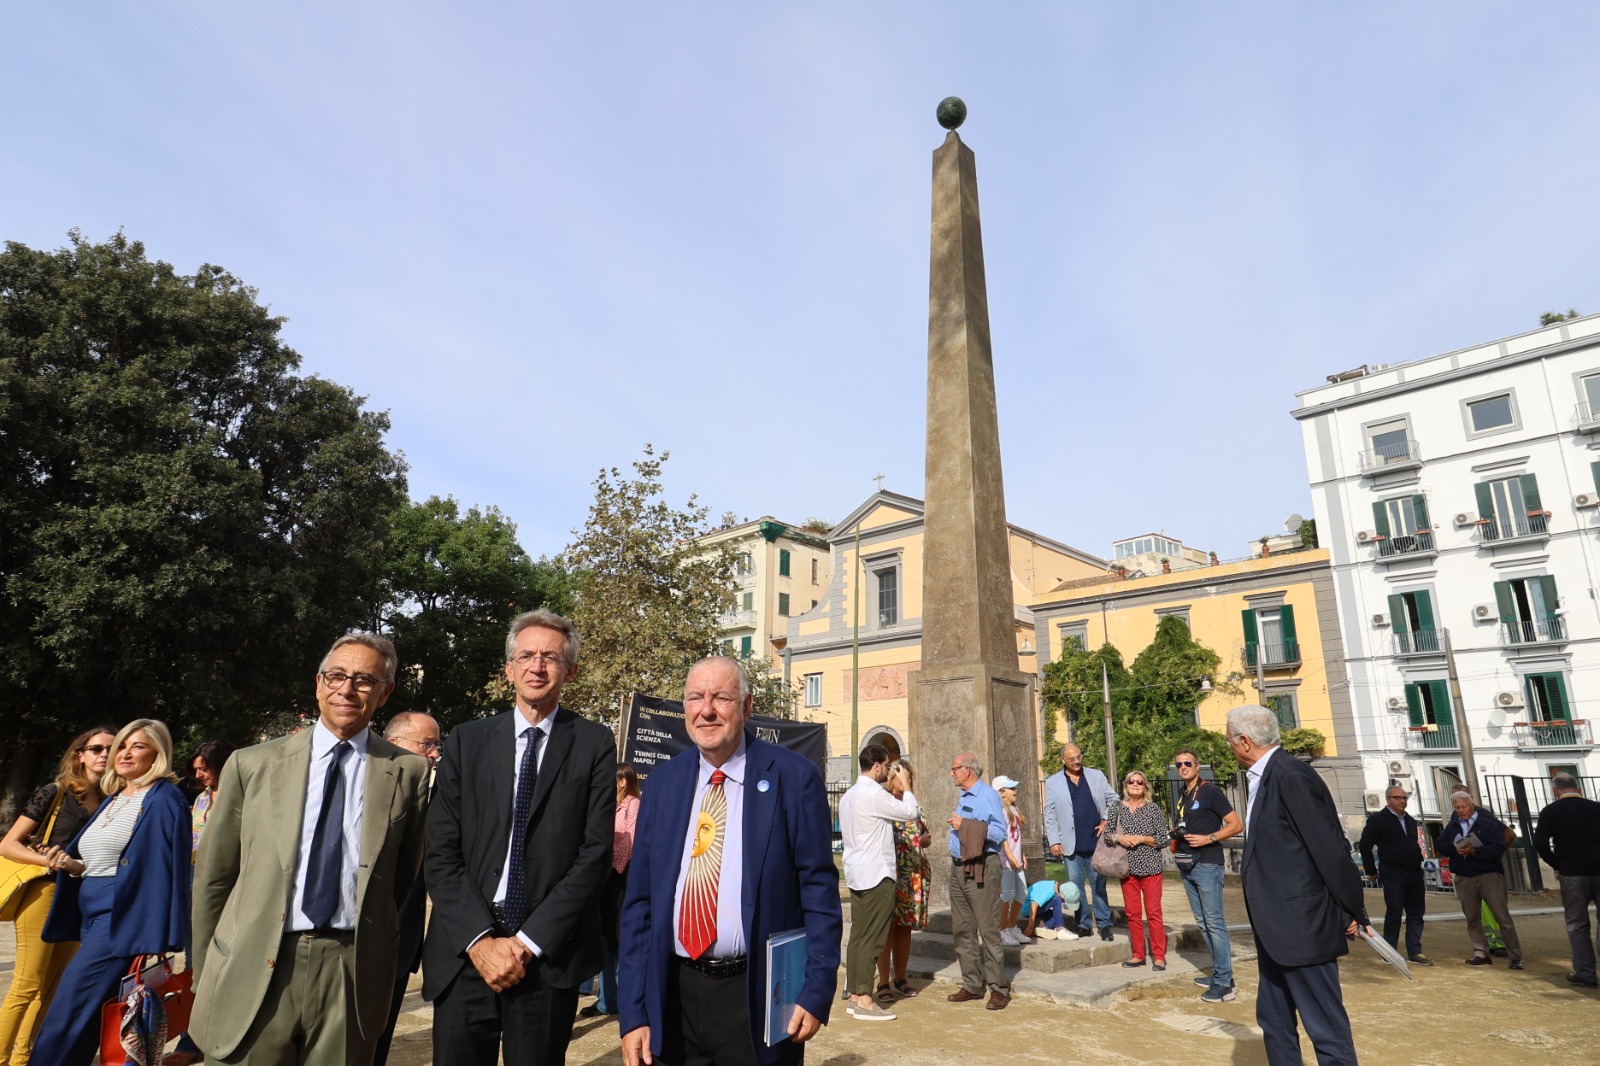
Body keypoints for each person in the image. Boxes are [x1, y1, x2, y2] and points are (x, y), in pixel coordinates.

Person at [188, 633, 431, 1065]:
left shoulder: (407, 772)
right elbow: (215, 877)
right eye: (336, 676)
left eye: (363, 680)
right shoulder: (252, 764)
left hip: (350, 969)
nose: (346, 689)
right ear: (318, 683)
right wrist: (209, 968)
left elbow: (401, 879)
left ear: (385, 692)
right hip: (256, 961)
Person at [618, 656, 841, 1066]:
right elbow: (640, 907)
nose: (706, 710)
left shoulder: (794, 777)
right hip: (673, 998)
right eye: (695, 698)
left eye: (721, 697)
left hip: (757, 998)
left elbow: (819, 893)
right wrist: (633, 1012)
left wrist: (817, 988)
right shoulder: (663, 785)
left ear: (747, 706)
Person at [424, 610, 616, 1066]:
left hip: (547, 957)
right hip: (466, 952)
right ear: (509, 668)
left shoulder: (594, 744)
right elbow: (440, 851)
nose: (537, 666)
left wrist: (527, 943)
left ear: (570, 670)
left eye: (550, 657)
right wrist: (481, 942)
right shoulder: (466, 742)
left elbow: (594, 854)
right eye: (526, 655)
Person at [31, 719, 192, 1066]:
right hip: (93, 917)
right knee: (88, 1016)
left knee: (66, 1010)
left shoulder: (164, 799)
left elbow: (169, 870)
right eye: (122, 745)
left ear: (158, 754)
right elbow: (106, 860)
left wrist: (157, 934)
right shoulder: (117, 796)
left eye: (139, 746)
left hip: (120, 919)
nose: (125, 753)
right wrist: (73, 865)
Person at [1230, 705, 1369, 1066]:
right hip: (1275, 926)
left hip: (1304, 925)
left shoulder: (1290, 776)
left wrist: (1351, 910)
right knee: (1275, 1021)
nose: (1229, 747)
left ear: (1245, 742)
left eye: (1230, 740)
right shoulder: (1264, 776)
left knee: (1324, 1026)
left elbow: (1331, 849)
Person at [0, 726, 114, 1066]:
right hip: (46, 891)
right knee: (27, 985)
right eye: (96, 748)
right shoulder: (56, 792)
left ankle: (23, 1058)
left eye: (111, 748)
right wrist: (50, 860)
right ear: (80, 755)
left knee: (52, 989)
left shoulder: (114, 800)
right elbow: (8, 843)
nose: (104, 754)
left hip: (81, 898)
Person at [373, 711, 442, 1066]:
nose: (434, 753)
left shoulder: (435, 795)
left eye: (436, 744)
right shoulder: (363, 788)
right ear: (394, 744)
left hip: (402, 942)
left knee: (379, 1042)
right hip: (355, 943)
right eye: (426, 744)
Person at [165, 738, 240, 1066]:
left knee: (225, 962)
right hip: (195, 882)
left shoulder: (242, 797)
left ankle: (211, 1037)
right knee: (195, 963)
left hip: (231, 884)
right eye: (195, 769)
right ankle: (192, 1038)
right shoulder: (199, 800)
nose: (200, 775)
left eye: (205, 767)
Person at [839, 744, 919, 1022]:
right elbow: (910, 812)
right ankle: (864, 999)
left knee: (859, 936)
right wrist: (907, 783)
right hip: (876, 873)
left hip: (857, 872)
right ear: (875, 766)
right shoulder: (872, 793)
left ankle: (854, 994)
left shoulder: (848, 795)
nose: (888, 771)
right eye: (886, 766)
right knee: (873, 937)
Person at [1170, 747, 1242, 1001]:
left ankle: (1225, 983)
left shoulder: (1210, 791)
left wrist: (1209, 838)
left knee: (1214, 922)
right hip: (1187, 863)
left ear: (1197, 766)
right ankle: (1219, 973)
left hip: (1208, 863)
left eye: (1188, 763)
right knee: (1203, 923)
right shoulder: (1183, 794)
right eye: (1179, 764)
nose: (1183, 767)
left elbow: (1236, 824)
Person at [945, 751, 1010, 1011]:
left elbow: (998, 833)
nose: (952, 773)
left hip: (982, 865)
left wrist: (966, 825)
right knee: (962, 929)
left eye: (955, 768)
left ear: (968, 771)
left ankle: (998, 989)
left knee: (988, 929)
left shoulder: (989, 796)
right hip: (958, 867)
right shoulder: (963, 796)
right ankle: (972, 984)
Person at [1437, 789, 1523, 969]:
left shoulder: (1487, 824)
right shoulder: (1453, 826)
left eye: (1464, 806)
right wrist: (1455, 848)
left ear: (1472, 805)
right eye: (1458, 807)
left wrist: (1475, 851)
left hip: (1489, 875)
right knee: (1472, 918)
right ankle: (1480, 952)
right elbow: (1441, 845)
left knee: (1502, 917)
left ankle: (1515, 956)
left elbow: (1498, 848)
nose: (1461, 810)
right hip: (1464, 876)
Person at [581, 763, 642, 1020]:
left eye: (611, 779)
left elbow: (626, 846)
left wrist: (604, 847)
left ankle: (627, 1003)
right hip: (604, 880)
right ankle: (607, 1001)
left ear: (622, 782)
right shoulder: (605, 806)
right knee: (604, 940)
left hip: (622, 880)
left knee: (621, 941)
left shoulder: (634, 806)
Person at [1042, 743, 1117, 941]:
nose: (1076, 761)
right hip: (1070, 844)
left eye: (1078, 757)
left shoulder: (1096, 776)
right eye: (1071, 758)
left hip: (1096, 842)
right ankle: (1083, 924)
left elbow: (1114, 800)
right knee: (1075, 888)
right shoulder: (1053, 782)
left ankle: (1104, 924)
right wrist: (1054, 841)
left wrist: (1106, 820)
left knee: (1098, 886)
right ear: (1063, 760)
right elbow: (1049, 814)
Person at [1532, 773, 1600, 988]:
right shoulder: (1597, 808)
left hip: (1572, 873)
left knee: (1577, 924)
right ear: (1579, 789)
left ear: (1555, 791)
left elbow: (1540, 843)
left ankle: (1586, 973)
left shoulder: (1550, 811)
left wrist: (1556, 864)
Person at [874, 759, 930, 1003]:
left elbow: (921, 828)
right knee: (887, 928)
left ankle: (901, 977)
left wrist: (925, 838)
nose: (904, 782)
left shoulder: (912, 800)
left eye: (907, 777)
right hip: (890, 872)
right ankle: (883, 981)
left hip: (912, 874)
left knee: (905, 926)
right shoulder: (883, 800)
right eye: (900, 776)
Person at [1357, 784, 1432, 968]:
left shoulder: (1411, 821)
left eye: (1404, 797)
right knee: (1394, 911)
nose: (1402, 801)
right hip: (1393, 872)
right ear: (1388, 799)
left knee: (1416, 912)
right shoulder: (1378, 820)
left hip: (1414, 871)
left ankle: (1415, 950)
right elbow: (1365, 846)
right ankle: (1390, 949)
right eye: (1397, 798)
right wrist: (1371, 871)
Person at [1108, 770, 1169, 970]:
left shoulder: (1153, 809)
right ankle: (1138, 954)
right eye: (1131, 781)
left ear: (1145, 786)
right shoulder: (1116, 808)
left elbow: (1162, 839)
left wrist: (1142, 838)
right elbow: (1107, 834)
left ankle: (1159, 955)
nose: (1135, 784)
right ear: (1125, 785)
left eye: (1139, 782)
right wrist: (1120, 838)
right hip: (1127, 868)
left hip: (1150, 868)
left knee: (1153, 912)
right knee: (1133, 913)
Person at [994, 775, 1028, 945]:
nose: (1015, 790)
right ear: (1001, 793)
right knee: (1007, 894)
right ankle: (1001, 930)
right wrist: (1011, 857)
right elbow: (1003, 839)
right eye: (1011, 788)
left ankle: (1012, 927)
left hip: (1016, 859)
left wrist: (1021, 855)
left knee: (1021, 894)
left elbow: (1017, 837)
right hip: (1006, 860)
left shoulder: (1013, 809)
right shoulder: (1001, 811)